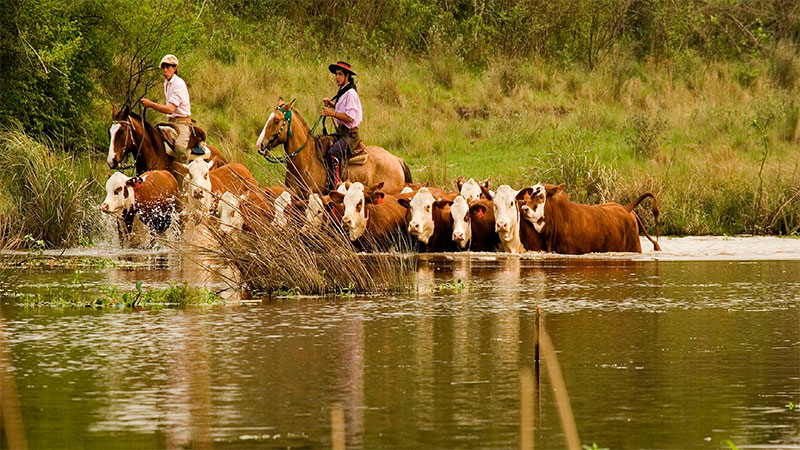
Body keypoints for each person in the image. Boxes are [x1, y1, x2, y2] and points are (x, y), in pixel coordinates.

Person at [141, 54, 194, 162]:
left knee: (179, 147)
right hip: (170, 122)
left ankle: (185, 172)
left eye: (168, 67)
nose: (165, 70)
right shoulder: (166, 83)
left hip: (182, 123)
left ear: (174, 68)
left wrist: (151, 104)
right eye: (163, 67)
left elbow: (171, 109)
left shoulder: (178, 84)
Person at [321, 61, 363, 187]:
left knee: (333, 153)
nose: (337, 77)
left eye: (340, 74)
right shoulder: (343, 90)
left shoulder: (350, 93)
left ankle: (334, 184)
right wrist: (332, 104)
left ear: (347, 76)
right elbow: (344, 110)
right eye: (336, 74)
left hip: (350, 135)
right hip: (342, 132)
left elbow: (350, 117)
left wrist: (331, 113)